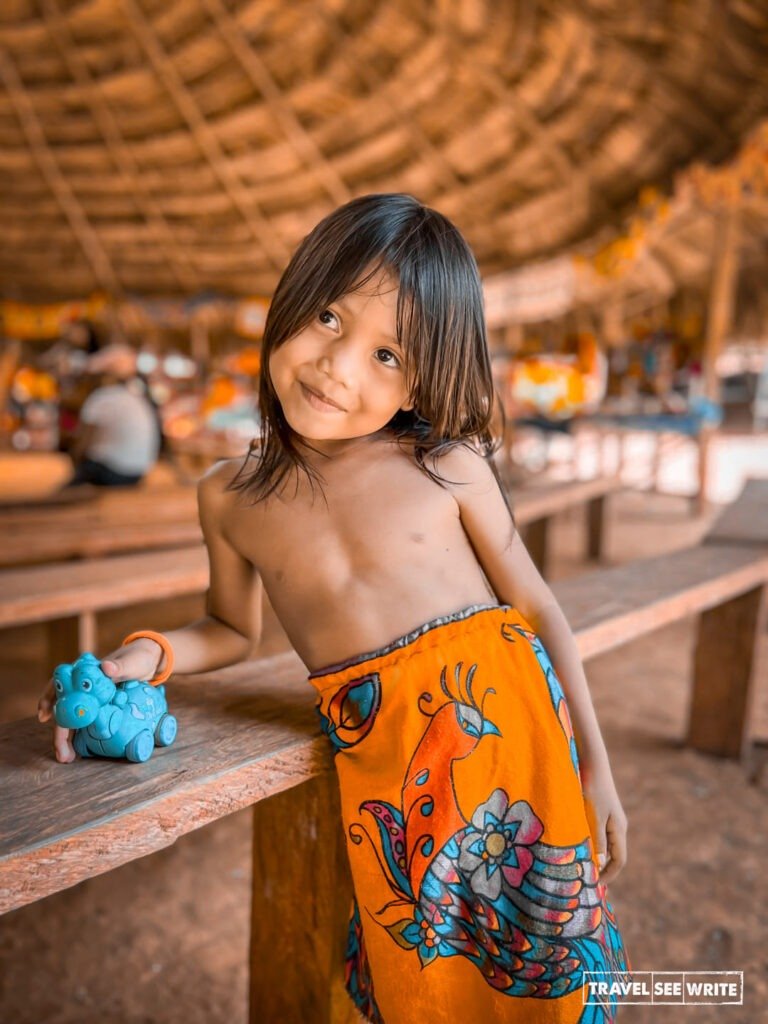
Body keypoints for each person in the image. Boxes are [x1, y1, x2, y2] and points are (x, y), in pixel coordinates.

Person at [39, 194, 630, 1022]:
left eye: (388, 354)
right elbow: (229, 629)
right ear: (292, 295)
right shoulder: (230, 497)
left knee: (545, 971)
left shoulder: (447, 467)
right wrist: (143, 656)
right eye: (326, 316)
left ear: (425, 376)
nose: (338, 366)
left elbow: (536, 606)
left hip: (519, 747)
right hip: (387, 768)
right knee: (418, 973)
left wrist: (596, 766)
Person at [66, 343, 162, 487]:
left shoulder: (102, 398)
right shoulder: (136, 397)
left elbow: (83, 443)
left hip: (114, 473)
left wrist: (75, 462)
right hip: (137, 473)